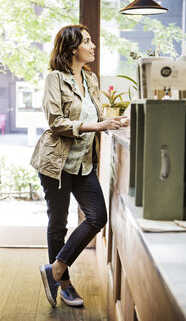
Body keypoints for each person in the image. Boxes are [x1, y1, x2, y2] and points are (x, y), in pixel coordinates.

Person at [30, 25, 129, 308]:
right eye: (87, 41)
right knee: (58, 225)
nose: (93, 45)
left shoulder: (90, 77)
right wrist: (97, 125)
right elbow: (56, 122)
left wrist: (117, 121)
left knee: (97, 216)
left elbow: (96, 113)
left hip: (84, 165)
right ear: (73, 49)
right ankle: (65, 284)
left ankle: (54, 270)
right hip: (56, 164)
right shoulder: (55, 79)